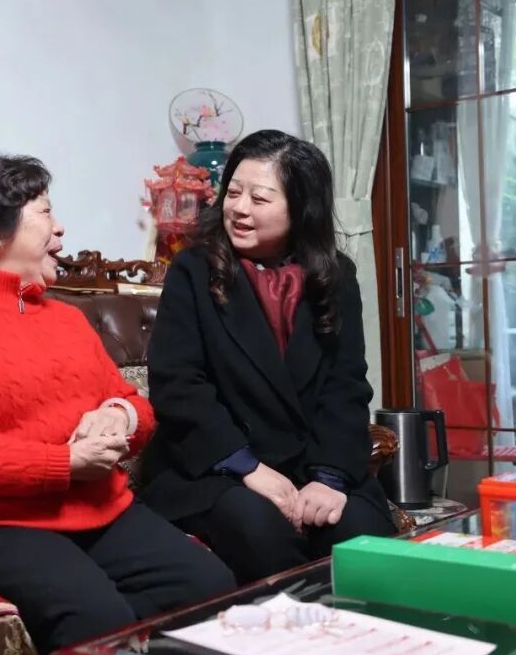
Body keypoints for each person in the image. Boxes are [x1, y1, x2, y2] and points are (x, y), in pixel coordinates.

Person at [0, 155, 235, 655]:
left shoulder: (66, 319)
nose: (60, 227)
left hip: (100, 511)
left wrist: (119, 414)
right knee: (98, 620)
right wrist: (65, 463)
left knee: (211, 586)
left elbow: (136, 405)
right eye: (45, 212)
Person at [139, 129, 396, 585]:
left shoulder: (336, 275)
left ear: (301, 208)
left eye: (259, 198)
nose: (239, 208)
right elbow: (179, 386)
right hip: (217, 467)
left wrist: (329, 478)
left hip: (311, 461)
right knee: (262, 533)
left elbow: (346, 385)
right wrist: (248, 468)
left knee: (363, 538)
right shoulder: (193, 270)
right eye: (234, 192)